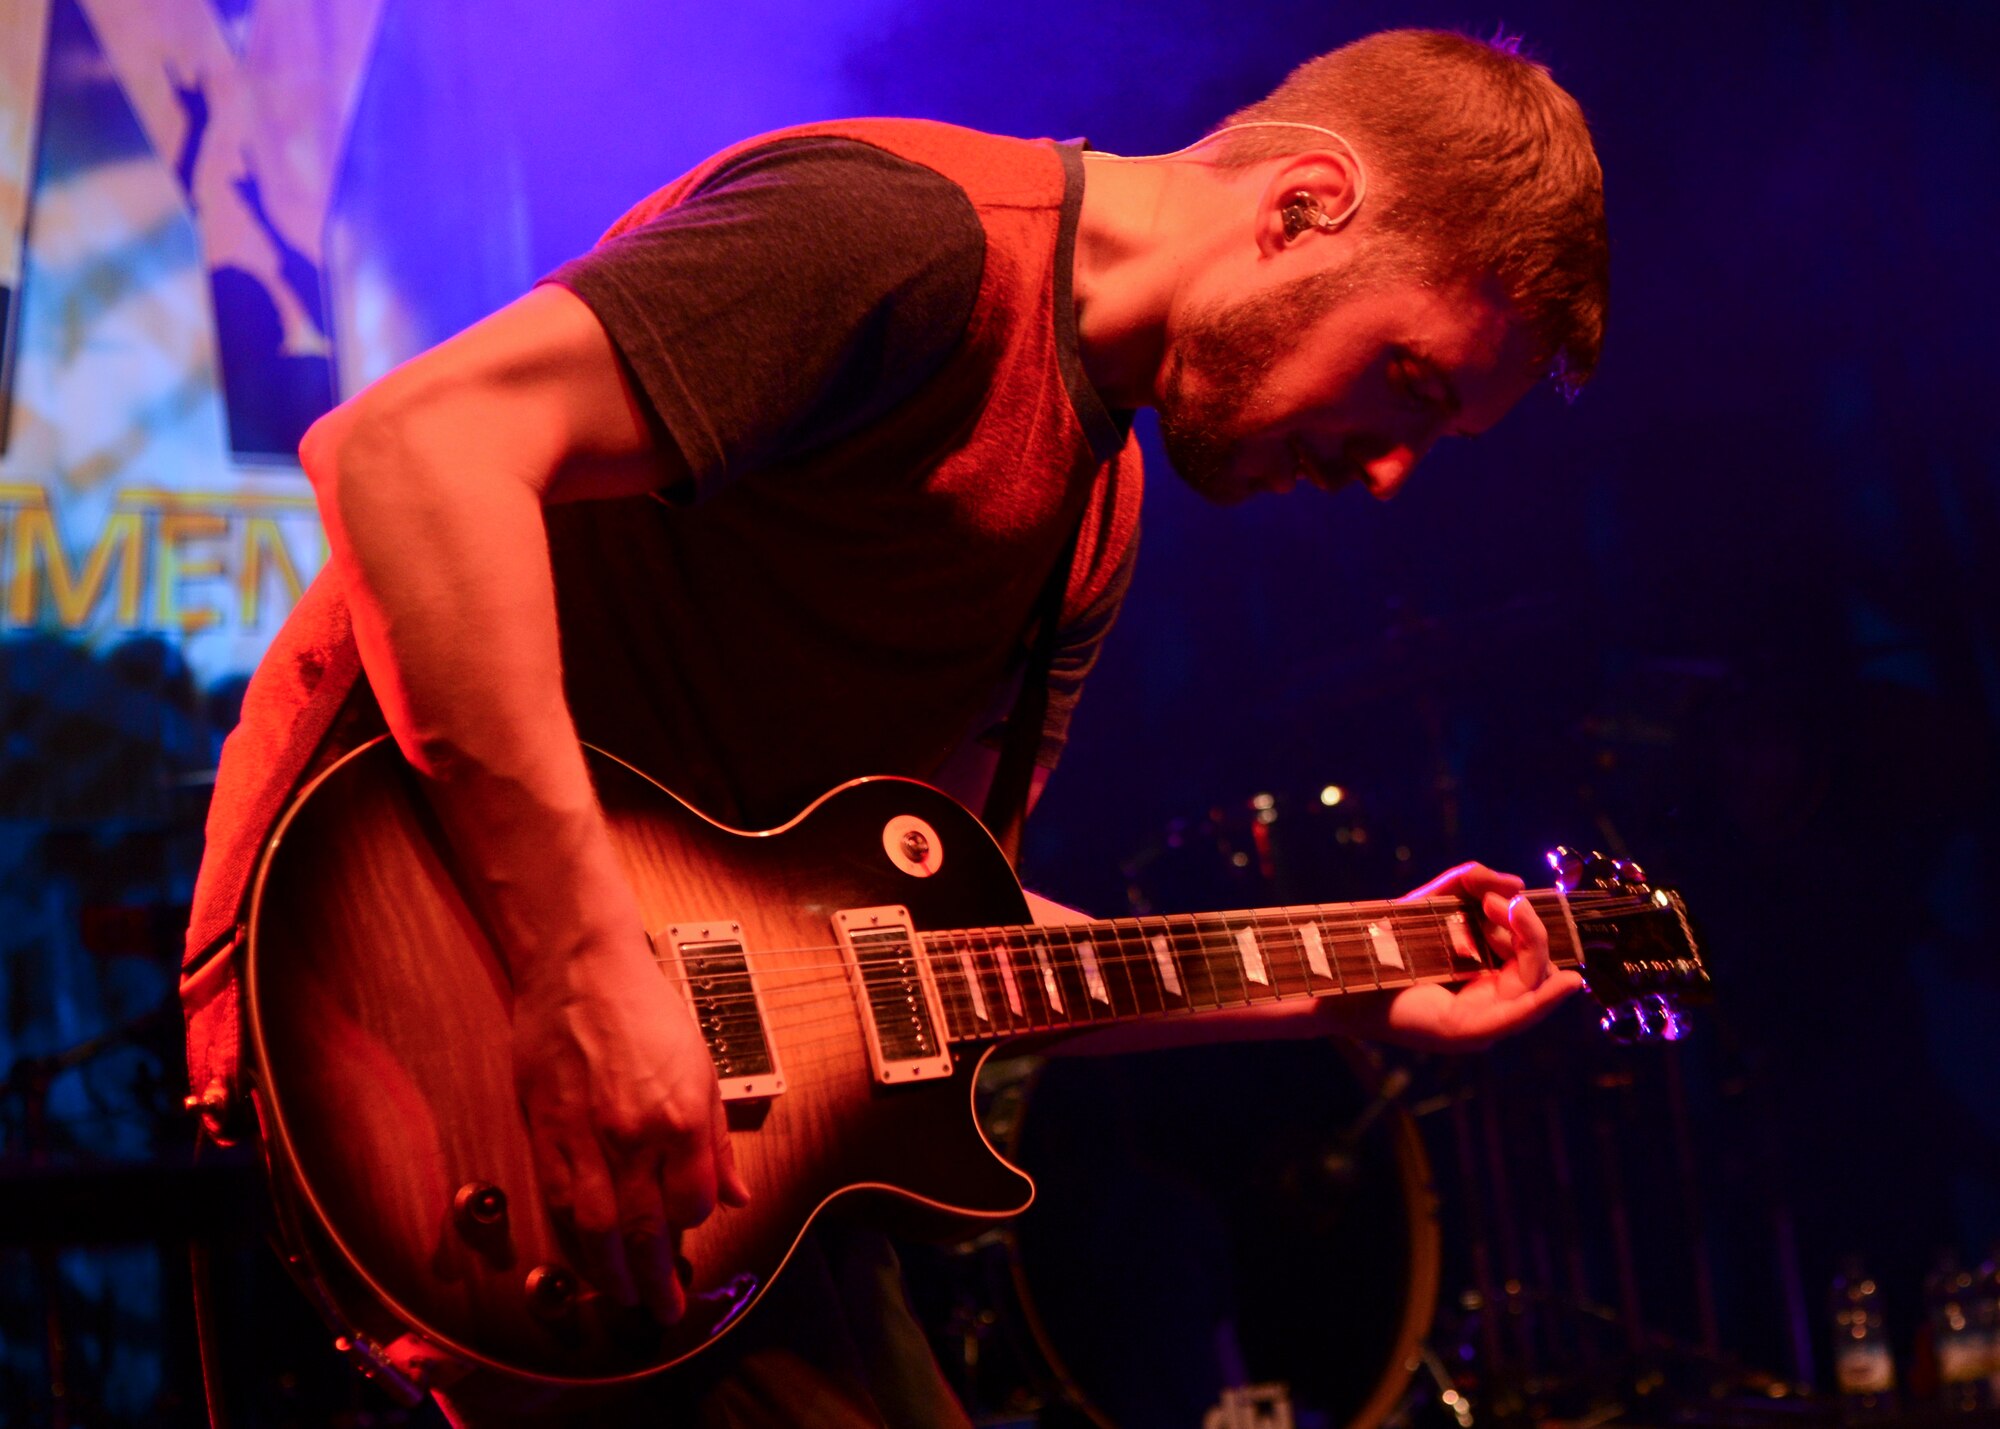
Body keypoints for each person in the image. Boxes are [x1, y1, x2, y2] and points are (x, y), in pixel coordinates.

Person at [179, 26, 1608, 1427]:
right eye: (1408, 381)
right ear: (1303, 207)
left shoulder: (1094, 524)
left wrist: (1357, 981)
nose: (1391, 472)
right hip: (406, 998)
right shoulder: (906, 240)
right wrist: (583, 972)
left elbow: (937, 955)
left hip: (688, 1128)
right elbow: (408, 449)